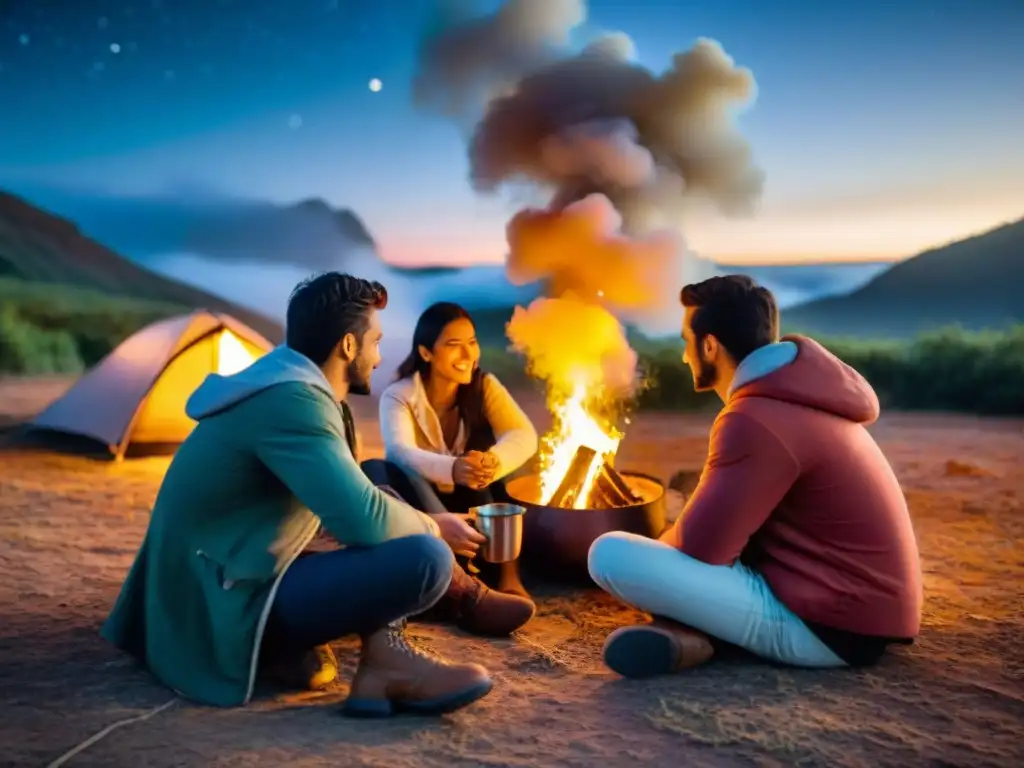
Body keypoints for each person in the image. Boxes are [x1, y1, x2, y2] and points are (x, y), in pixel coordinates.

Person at [101, 273, 495, 718]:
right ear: (349, 346)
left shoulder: (288, 387)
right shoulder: (292, 403)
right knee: (426, 558)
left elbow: (345, 505)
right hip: (217, 601)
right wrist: (433, 525)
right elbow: (361, 520)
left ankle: (383, 660)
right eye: (376, 342)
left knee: (375, 484)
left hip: (229, 567)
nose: (379, 355)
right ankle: (380, 660)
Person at [587, 275, 923, 678]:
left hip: (828, 627)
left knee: (609, 554)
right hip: (861, 614)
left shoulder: (753, 417)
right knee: (688, 540)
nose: (683, 357)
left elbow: (702, 548)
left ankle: (692, 632)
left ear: (709, 345)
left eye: (684, 342)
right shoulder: (803, 397)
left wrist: (664, 557)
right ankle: (686, 640)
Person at [364, 301, 539, 604]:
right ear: (426, 352)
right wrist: (453, 468)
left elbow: (523, 434)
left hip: (472, 500)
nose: (468, 355)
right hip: (427, 506)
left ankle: (509, 577)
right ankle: (454, 574)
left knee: (497, 461)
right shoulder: (399, 395)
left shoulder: (484, 386)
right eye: (454, 345)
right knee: (379, 469)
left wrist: (491, 462)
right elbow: (400, 451)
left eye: (472, 342)